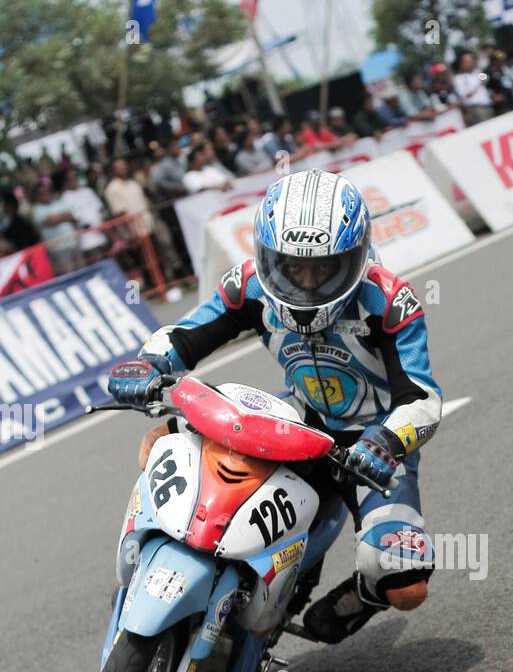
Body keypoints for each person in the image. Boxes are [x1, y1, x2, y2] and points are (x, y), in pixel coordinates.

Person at [107, 171, 441, 644]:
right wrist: (148, 365)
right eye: (291, 266)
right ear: (267, 254)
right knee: (163, 440)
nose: (306, 283)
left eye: (325, 268)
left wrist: (386, 440)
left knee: (404, 579)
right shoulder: (249, 285)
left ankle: (364, 594)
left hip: (372, 445)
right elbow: (186, 335)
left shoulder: (388, 301)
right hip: (298, 422)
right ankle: (151, 569)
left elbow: (422, 398)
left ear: (355, 256)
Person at [60, 168, 109, 260]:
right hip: (86, 237)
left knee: (109, 257)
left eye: (75, 177)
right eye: (71, 178)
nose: (74, 180)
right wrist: (86, 225)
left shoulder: (87, 191)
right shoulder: (65, 197)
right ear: (66, 182)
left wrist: (103, 221)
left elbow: (100, 207)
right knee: (96, 260)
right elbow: (72, 217)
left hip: (102, 230)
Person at [452, 51, 494, 125]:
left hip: (488, 105)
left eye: (471, 60)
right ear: (462, 63)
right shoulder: (459, 78)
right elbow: (465, 95)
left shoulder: (477, 72)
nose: (470, 63)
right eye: (468, 61)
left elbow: (486, 78)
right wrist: (478, 85)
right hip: (476, 109)